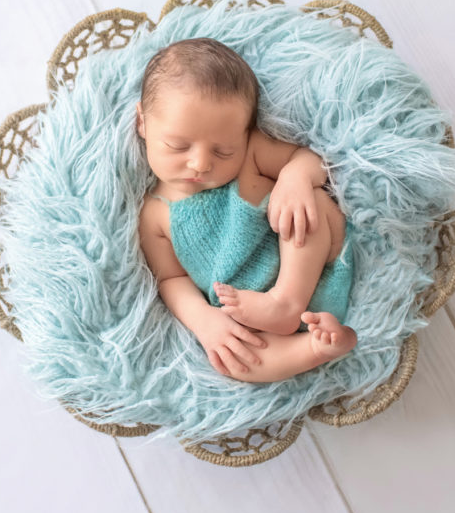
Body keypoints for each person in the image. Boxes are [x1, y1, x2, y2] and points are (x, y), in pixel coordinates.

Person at [136, 37, 357, 383]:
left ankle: (286, 301)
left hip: (310, 267)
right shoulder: (154, 214)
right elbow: (171, 278)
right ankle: (321, 347)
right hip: (247, 313)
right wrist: (204, 321)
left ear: (246, 134)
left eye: (223, 151)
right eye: (178, 146)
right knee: (237, 359)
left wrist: (295, 176)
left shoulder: (250, 155)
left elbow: (309, 160)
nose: (201, 163)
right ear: (143, 123)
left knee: (308, 204)